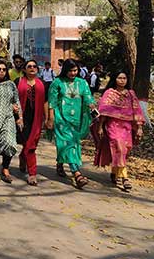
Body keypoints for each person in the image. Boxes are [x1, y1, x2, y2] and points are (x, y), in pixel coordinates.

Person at [46, 59, 96, 189]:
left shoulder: (82, 83)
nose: (73, 73)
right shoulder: (57, 83)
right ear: (65, 70)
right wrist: (50, 119)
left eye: (75, 70)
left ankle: (60, 163)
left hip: (77, 119)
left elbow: (87, 96)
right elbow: (51, 102)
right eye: (70, 71)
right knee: (67, 143)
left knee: (72, 143)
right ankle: (77, 173)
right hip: (61, 118)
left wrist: (91, 104)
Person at [92, 71, 144, 192]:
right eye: (119, 78)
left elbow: (137, 111)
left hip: (127, 127)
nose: (122, 80)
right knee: (119, 147)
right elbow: (103, 112)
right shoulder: (109, 93)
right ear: (115, 79)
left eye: (124, 78)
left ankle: (115, 172)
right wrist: (100, 127)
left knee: (125, 149)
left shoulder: (130, 94)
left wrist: (139, 127)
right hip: (113, 125)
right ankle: (124, 177)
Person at [15, 60, 47, 186]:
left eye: (35, 66)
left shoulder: (43, 84)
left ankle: (27, 164)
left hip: (36, 118)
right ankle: (28, 166)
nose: (32, 68)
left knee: (31, 145)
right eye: (29, 66)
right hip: (21, 118)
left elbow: (45, 102)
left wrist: (49, 118)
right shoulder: (18, 82)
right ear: (25, 69)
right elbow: (13, 98)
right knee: (28, 144)